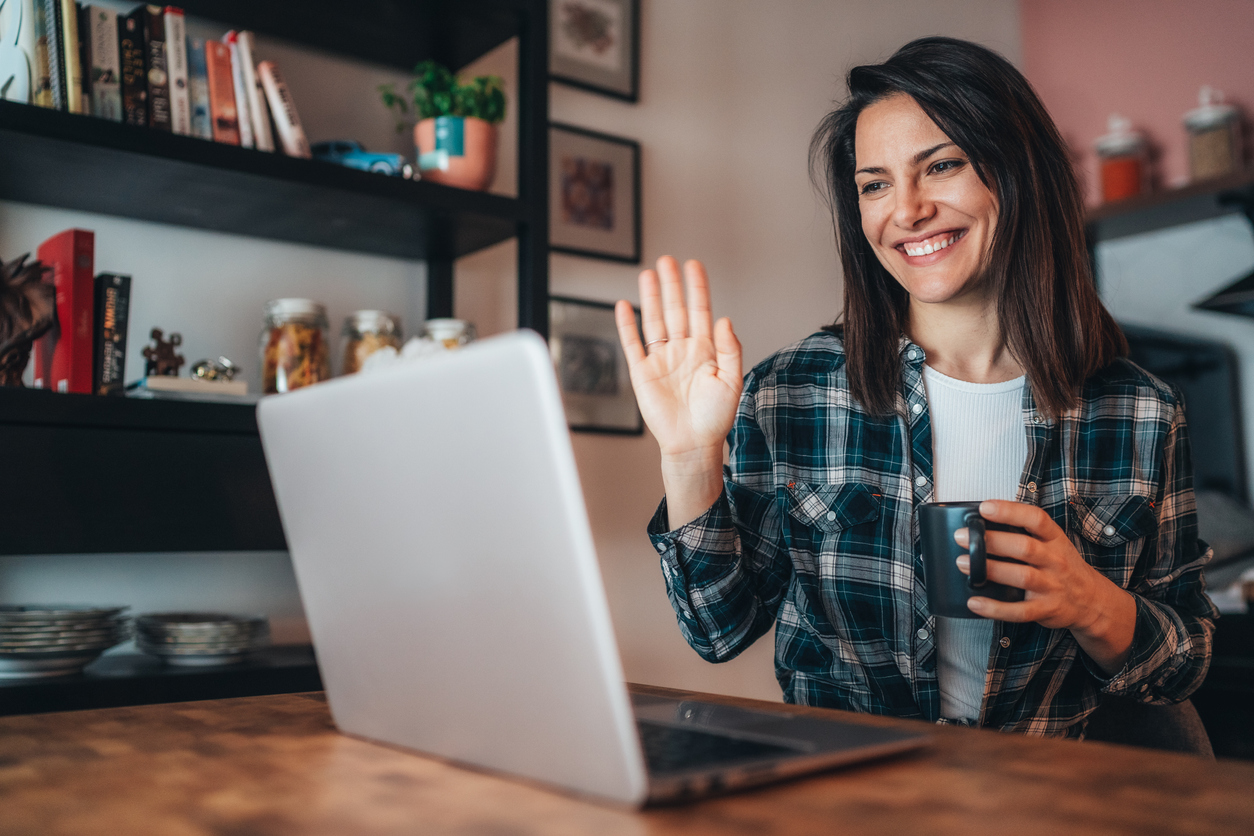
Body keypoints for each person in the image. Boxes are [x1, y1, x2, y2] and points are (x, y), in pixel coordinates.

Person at [613, 37, 1216, 737]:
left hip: (1047, 797)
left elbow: (1184, 663)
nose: (907, 209)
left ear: (1019, 173)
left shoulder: (1140, 411)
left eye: (942, 166)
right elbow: (718, 631)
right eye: (875, 184)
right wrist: (689, 460)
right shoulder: (789, 393)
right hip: (852, 791)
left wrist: (1090, 603)